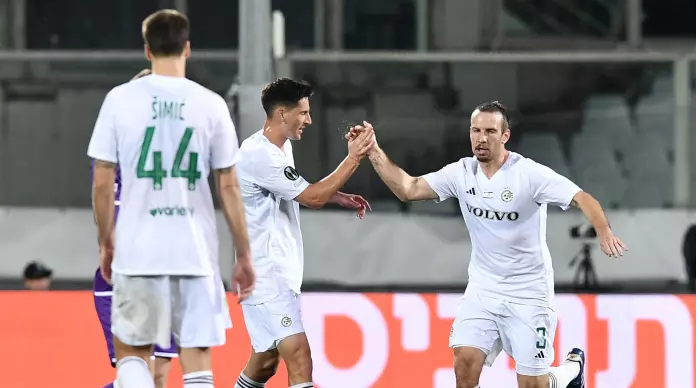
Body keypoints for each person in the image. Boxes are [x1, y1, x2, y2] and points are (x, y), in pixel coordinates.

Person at [349, 101, 628, 388]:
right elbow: (408, 188)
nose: (481, 138)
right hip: (484, 289)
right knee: (465, 365)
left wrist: (604, 231)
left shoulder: (529, 175)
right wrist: (373, 151)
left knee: (534, 384)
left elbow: (582, 197)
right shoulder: (461, 173)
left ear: (505, 135)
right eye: (476, 130)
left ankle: (570, 372)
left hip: (529, 293)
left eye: (490, 131)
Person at [87, 9, 255, 388]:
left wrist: (106, 243)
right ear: (188, 48)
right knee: (196, 360)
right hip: (193, 253)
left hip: (137, 248)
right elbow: (228, 185)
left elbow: (101, 182)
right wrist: (244, 253)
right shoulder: (210, 104)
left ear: (147, 50)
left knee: (133, 355)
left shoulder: (119, 101)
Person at [232, 78, 374, 388]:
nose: (309, 120)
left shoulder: (275, 148)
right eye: (303, 113)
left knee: (265, 363)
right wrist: (354, 158)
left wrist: (336, 195)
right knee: (299, 356)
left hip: (271, 273)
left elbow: (299, 190)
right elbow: (312, 197)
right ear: (282, 113)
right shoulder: (261, 155)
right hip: (266, 275)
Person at [91, 68, 179, 388]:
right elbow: (109, 206)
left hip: (167, 276)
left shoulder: (175, 152)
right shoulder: (112, 152)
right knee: (135, 372)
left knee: (157, 377)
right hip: (124, 275)